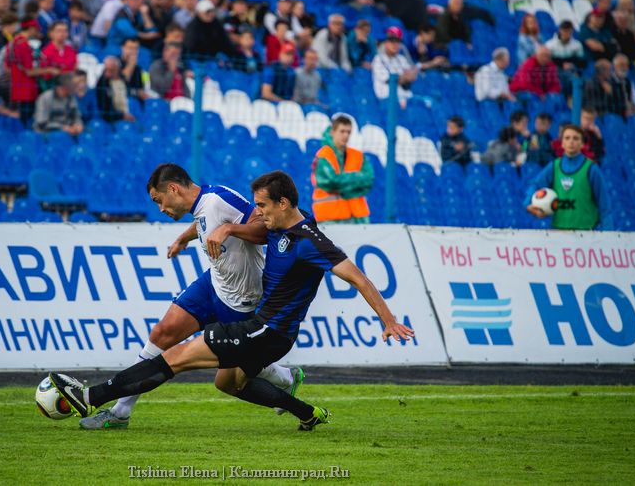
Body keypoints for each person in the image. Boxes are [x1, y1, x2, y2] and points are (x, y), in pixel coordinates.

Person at [51, 170, 413, 429]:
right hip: (263, 330)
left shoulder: (310, 242)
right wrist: (192, 235)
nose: (258, 213)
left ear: (283, 203)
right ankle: (305, 412)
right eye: (256, 206)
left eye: (262, 206)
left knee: (175, 357)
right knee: (226, 383)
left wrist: (389, 320)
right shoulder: (280, 226)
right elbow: (230, 223)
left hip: (264, 329)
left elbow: (358, 277)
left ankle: (92, 397)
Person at [76, 164, 305, 429]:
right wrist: (185, 238)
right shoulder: (202, 207)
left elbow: (265, 229)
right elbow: (205, 223)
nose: (160, 208)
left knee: (233, 374)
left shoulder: (220, 199)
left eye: (159, 200)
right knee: (163, 332)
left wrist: (229, 230)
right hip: (213, 284)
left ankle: (286, 378)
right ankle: (120, 412)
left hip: (242, 299)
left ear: (173, 189)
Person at [525, 124, 612, 230]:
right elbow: (535, 185)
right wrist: (529, 203)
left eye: (576, 138)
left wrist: (608, 233)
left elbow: (604, 205)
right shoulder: (554, 166)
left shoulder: (591, 169)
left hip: (587, 233)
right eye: (567, 138)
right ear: (562, 143)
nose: (571, 141)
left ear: (582, 143)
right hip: (558, 232)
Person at [311, 114, 373, 223]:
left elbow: (368, 180)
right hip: (329, 218)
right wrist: (356, 178)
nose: (346, 135)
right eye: (342, 131)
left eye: (348, 132)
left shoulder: (358, 155)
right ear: (332, 132)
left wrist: (341, 181)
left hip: (357, 218)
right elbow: (330, 182)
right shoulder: (324, 155)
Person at [372, 26, 418, 106]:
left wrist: (405, 77)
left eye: (397, 42)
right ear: (386, 44)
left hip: (404, 95)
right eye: (391, 42)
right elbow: (390, 80)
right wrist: (404, 77)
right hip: (386, 98)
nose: (395, 45)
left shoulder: (401, 58)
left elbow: (412, 76)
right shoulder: (378, 59)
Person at [95, 56, 134, 122]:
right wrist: (121, 115)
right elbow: (104, 108)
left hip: (129, 112)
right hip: (114, 118)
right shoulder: (102, 84)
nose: (108, 73)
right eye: (106, 70)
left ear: (118, 69)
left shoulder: (124, 80)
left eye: (111, 70)